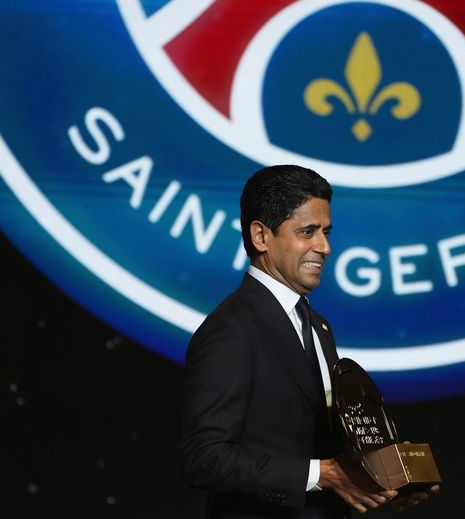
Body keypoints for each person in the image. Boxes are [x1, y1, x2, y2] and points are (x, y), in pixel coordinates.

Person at [181, 165, 426, 518]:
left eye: (326, 232)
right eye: (307, 232)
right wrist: (320, 474)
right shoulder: (230, 331)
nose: (324, 246)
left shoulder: (318, 326)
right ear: (261, 237)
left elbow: (321, 444)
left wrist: (387, 475)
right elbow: (204, 459)